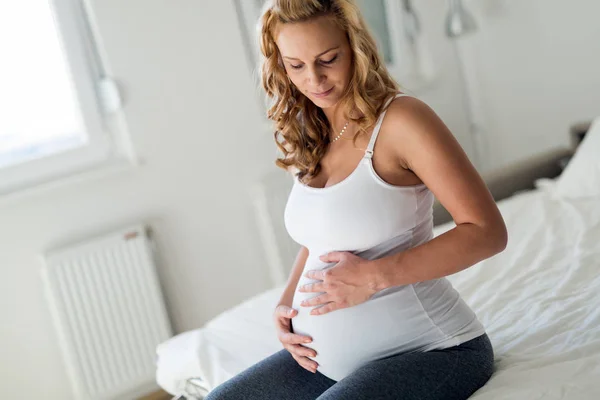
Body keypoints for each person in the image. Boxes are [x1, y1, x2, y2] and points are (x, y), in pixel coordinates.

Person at [206, 0, 507, 399]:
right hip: (322, 361)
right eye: (295, 66)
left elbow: (486, 232)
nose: (314, 79)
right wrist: (287, 304)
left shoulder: (403, 120)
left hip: (434, 350)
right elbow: (320, 239)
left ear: (356, 48)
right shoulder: (312, 128)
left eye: (328, 59)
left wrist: (373, 277)